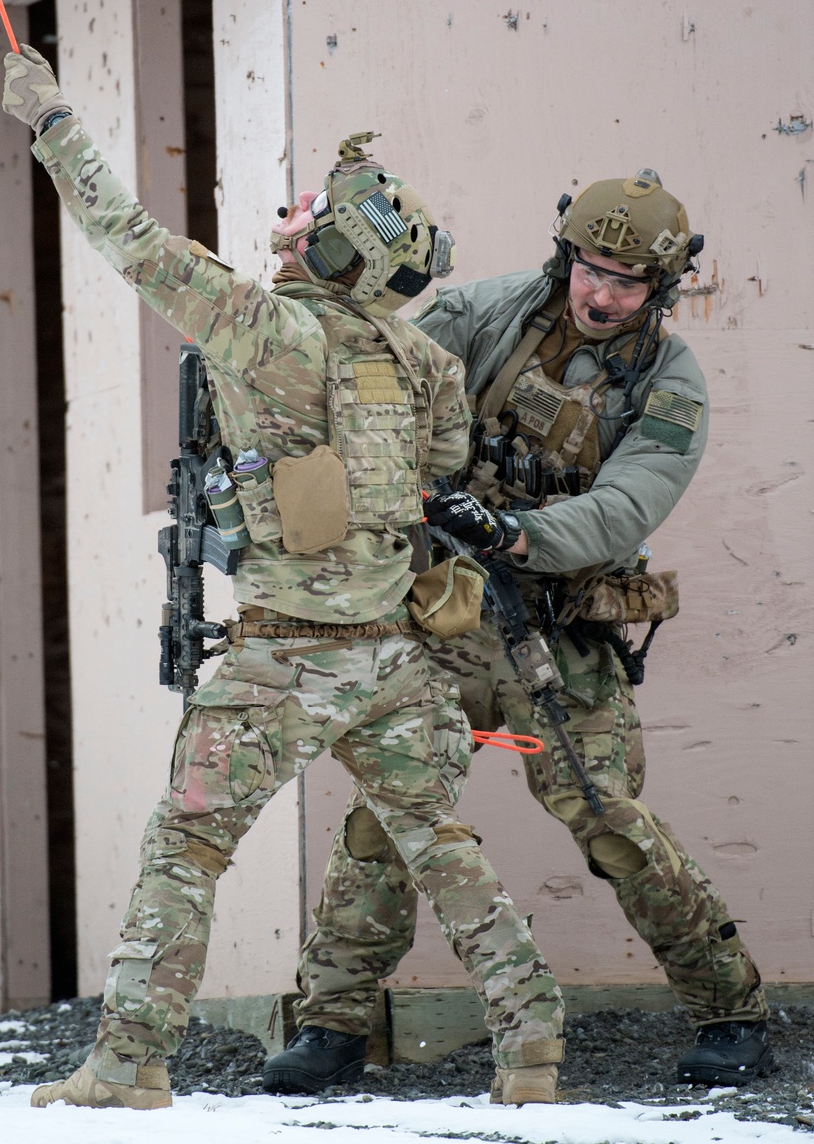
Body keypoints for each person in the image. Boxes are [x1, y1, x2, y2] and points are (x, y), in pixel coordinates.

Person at [1, 45, 565, 1112]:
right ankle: (530, 1043)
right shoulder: (423, 360)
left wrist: (50, 121)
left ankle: (127, 1062)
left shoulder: (260, 329)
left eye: (314, 221)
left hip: (278, 656)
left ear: (342, 249)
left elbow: (127, 238)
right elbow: (443, 465)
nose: (291, 224)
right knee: (437, 841)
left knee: (187, 844)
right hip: (393, 660)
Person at [264, 172, 773, 1094]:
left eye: (626, 280)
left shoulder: (672, 383)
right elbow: (383, 382)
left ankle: (731, 1008)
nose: (601, 293)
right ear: (566, 255)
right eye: (590, 268)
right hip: (447, 612)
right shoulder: (487, 311)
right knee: (390, 814)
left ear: (659, 287)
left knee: (610, 819)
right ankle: (332, 1023)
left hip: (560, 631)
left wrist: (513, 532)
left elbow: (626, 506)